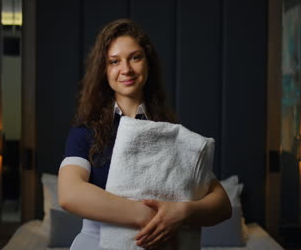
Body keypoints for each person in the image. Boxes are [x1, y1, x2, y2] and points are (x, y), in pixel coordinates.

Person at [58, 18, 232, 249]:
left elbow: (222, 204)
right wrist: (153, 218)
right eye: (114, 61)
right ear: (103, 70)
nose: (126, 69)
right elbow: (69, 194)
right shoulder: (86, 131)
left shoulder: (168, 130)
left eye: (135, 57)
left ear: (148, 63)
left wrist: (182, 212)